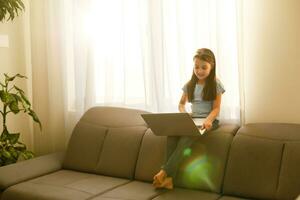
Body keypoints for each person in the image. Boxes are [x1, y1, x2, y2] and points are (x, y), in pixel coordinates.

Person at [152, 48, 225, 189]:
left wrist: (208, 120)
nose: (199, 70)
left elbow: (216, 108)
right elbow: (181, 104)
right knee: (172, 136)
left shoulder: (216, 84)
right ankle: (170, 180)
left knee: (186, 138)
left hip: (210, 120)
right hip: (193, 119)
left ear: (212, 66)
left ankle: (164, 171)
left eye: (204, 67)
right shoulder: (189, 85)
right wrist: (184, 113)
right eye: (196, 67)